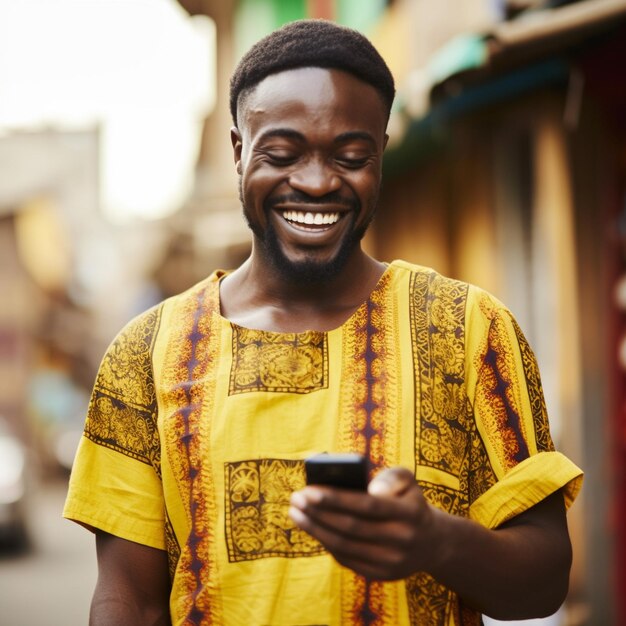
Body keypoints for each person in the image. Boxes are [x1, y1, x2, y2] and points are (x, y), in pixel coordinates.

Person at [64, 19, 583, 626]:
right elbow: (129, 599)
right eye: (281, 155)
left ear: (381, 155)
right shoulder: (145, 353)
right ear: (238, 152)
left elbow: (546, 581)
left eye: (351, 156)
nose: (315, 182)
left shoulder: (469, 329)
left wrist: (435, 542)